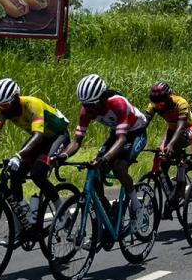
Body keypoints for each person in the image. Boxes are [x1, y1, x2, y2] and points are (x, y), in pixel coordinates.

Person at [0, 78, 71, 233]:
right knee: (14, 174)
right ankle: (21, 224)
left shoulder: (32, 104)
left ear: (15, 98)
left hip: (58, 136)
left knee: (38, 173)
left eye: (5, 105)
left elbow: (38, 136)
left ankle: (63, 213)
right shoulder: (2, 112)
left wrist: (18, 156)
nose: (2, 109)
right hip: (39, 139)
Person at [54, 74, 151, 239]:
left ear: (102, 99)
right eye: (84, 105)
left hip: (136, 133)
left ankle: (138, 207)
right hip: (117, 134)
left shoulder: (118, 104)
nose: (88, 109)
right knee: (95, 172)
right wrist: (62, 156)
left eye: (91, 105)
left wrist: (104, 159)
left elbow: (122, 140)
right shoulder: (86, 111)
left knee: (119, 167)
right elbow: (77, 142)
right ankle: (108, 211)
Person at [144, 81, 192, 213]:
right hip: (172, 130)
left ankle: (181, 180)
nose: (158, 106)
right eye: (156, 103)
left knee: (175, 147)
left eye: (161, 103)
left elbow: (181, 126)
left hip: (187, 129)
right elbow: (143, 124)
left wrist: (170, 144)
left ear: (168, 97)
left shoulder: (181, 103)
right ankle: (173, 196)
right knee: (162, 164)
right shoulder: (154, 105)